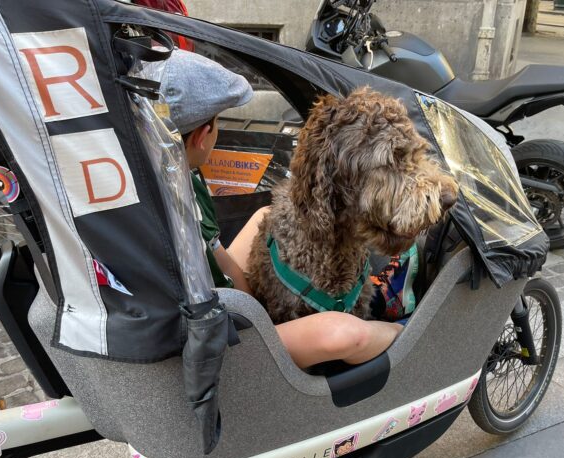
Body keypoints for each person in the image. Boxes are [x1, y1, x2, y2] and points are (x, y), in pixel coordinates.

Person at [160, 50, 403, 369]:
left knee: (264, 215)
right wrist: (264, 327)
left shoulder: (173, 173)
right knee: (344, 335)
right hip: (224, 340)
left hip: (206, 302)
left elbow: (216, 253)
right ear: (204, 135)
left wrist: (258, 306)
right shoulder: (184, 189)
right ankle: (403, 329)